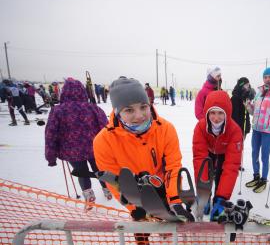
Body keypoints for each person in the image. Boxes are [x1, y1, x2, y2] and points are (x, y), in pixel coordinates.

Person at [93, 76, 194, 222]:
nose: (139, 116)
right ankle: (142, 243)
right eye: (129, 110)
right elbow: (115, 182)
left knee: (166, 222)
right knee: (141, 227)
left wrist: (174, 200)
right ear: (117, 112)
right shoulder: (103, 142)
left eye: (143, 106)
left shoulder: (165, 129)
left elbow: (173, 167)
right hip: (136, 196)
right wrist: (134, 208)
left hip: (162, 190)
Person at [45, 78, 112, 205]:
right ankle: (108, 190)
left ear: (64, 92)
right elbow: (106, 128)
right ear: (83, 92)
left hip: (72, 152)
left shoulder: (58, 111)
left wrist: (51, 157)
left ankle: (89, 197)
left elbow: (50, 134)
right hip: (95, 149)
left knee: (82, 173)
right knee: (100, 170)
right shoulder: (93, 108)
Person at [192, 90, 243, 221]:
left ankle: (217, 201)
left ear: (227, 113)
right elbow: (199, 159)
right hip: (208, 152)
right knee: (206, 174)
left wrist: (222, 198)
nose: (216, 118)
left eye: (220, 113)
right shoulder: (200, 127)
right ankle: (206, 198)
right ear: (207, 113)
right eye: (212, 113)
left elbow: (232, 166)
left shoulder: (235, 131)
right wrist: (203, 192)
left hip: (224, 153)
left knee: (221, 177)